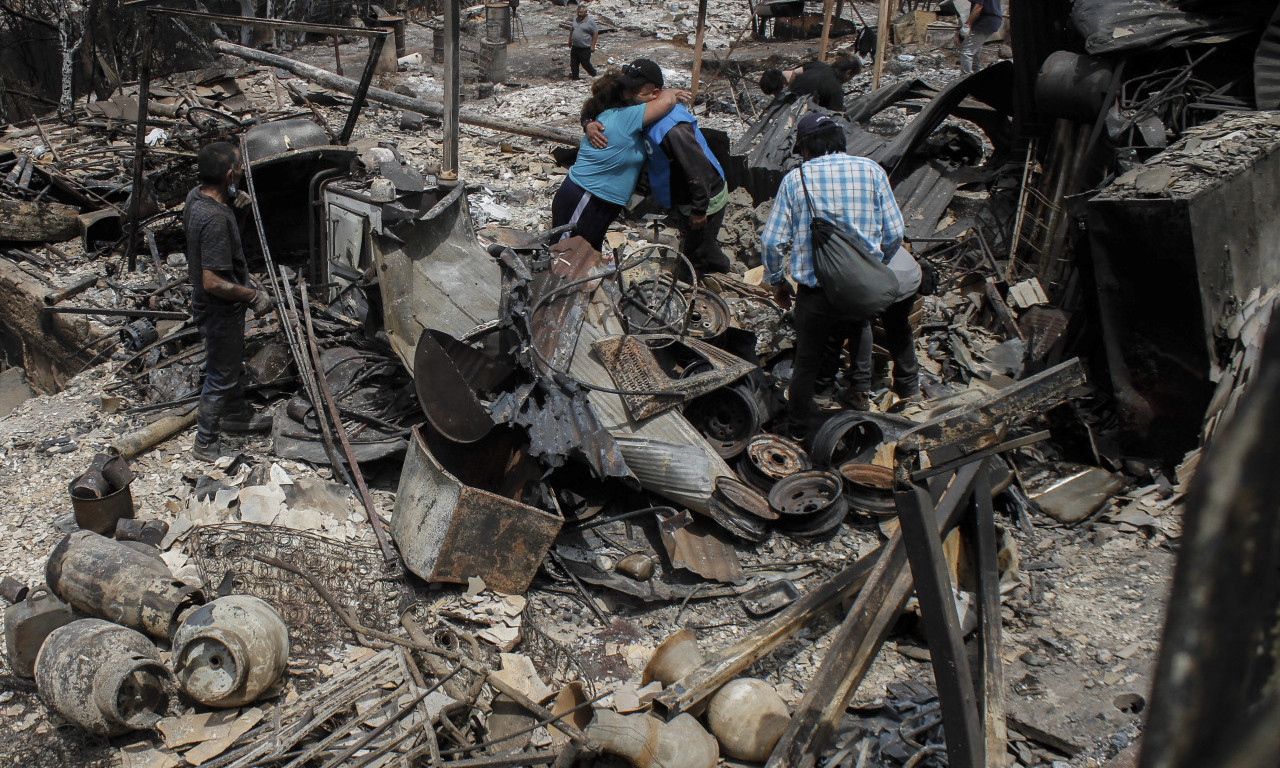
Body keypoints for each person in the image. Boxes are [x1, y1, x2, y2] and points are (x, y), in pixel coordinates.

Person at [760, 113, 906, 432]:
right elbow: (896, 231)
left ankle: (798, 427)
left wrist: (777, 281)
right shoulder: (872, 171)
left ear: (805, 148)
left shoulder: (796, 180)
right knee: (859, 326)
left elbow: (771, 241)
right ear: (840, 140)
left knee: (806, 362)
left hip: (816, 293)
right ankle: (859, 394)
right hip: (861, 287)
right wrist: (873, 264)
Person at [584, 59, 730, 275]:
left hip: (704, 198)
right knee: (695, 242)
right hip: (683, 196)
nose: (626, 96)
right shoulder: (640, 108)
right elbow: (598, 104)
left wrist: (699, 210)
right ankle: (709, 264)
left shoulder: (672, 130)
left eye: (634, 91)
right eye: (626, 89)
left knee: (696, 252)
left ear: (655, 94)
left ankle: (703, 284)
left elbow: (697, 171)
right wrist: (588, 122)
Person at [183, 142, 276, 462]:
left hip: (213, 307)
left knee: (229, 360)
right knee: (219, 374)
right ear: (228, 175)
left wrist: (238, 209)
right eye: (238, 169)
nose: (241, 172)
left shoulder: (196, 197)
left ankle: (236, 413)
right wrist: (253, 296)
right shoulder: (214, 220)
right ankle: (205, 441)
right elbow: (212, 281)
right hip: (218, 308)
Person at [552, 61, 690, 251]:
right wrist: (670, 92)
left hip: (598, 201)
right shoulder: (625, 117)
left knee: (584, 257)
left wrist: (587, 122)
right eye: (629, 89)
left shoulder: (619, 116)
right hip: (587, 198)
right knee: (562, 254)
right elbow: (665, 102)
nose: (631, 93)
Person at [758, 57, 861, 111]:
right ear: (848, 73)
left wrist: (790, 89)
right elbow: (836, 115)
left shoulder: (818, 65)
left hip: (791, 102)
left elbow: (796, 72)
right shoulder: (836, 89)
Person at [957, 0, 1001, 76]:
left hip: (985, 21)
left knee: (966, 52)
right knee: (975, 49)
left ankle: (965, 78)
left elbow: (978, 7)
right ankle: (976, 72)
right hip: (993, 20)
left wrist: (967, 24)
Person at [568, 4, 599, 80]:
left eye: (581, 12)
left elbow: (595, 33)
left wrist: (593, 45)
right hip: (575, 46)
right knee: (573, 64)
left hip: (585, 47)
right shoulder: (575, 19)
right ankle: (575, 78)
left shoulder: (590, 21)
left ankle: (593, 73)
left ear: (585, 12)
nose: (579, 14)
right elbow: (572, 29)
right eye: (578, 12)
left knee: (585, 63)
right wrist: (569, 40)